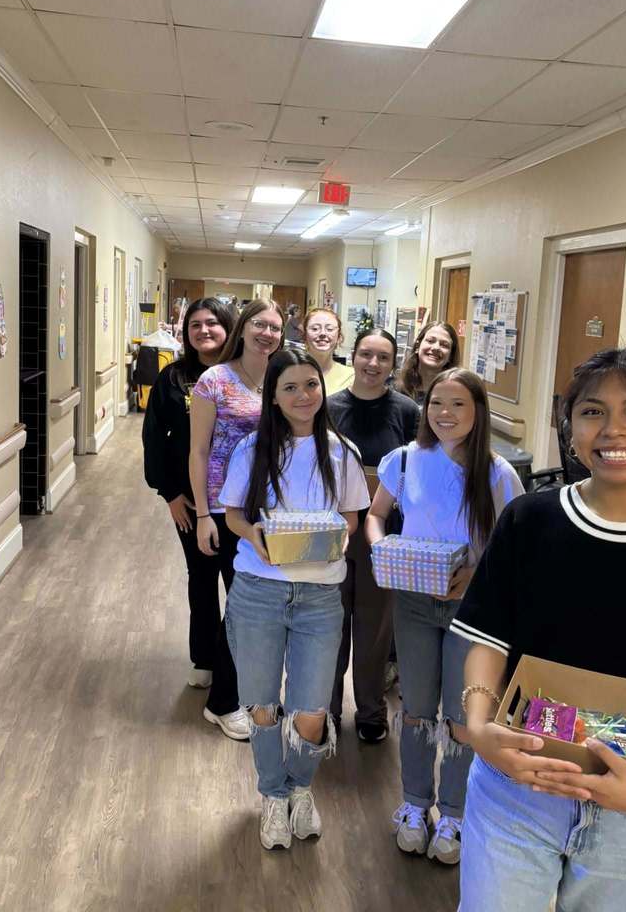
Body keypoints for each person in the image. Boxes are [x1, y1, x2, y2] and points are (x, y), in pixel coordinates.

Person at [453, 347, 626, 911]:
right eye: (591, 412)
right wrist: (481, 726)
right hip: (518, 783)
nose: (614, 430)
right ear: (570, 426)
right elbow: (489, 640)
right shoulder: (529, 519)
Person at [366, 368, 524, 863]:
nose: (445, 414)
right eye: (437, 403)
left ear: (478, 412)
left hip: (471, 611)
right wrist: (381, 551)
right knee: (415, 709)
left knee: (461, 717)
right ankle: (415, 805)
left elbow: (514, 546)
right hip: (412, 600)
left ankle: (453, 814)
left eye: (458, 405)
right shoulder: (405, 461)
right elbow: (375, 516)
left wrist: (475, 573)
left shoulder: (498, 472)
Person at [220, 350, 369, 851]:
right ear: (274, 395)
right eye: (290, 387)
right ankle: (272, 796)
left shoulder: (341, 452)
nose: (303, 395)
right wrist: (256, 534)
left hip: (320, 594)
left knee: (310, 709)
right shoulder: (251, 449)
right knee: (261, 704)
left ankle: (301, 788)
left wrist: (330, 540)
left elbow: (350, 518)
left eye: (311, 384)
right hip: (259, 588)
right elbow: (234, 515)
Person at [189, 298, 284, 739]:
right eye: (260, 325)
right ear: (243, 328)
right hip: (226, 510)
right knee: (242, 608)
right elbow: (199, 451)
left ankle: (247, 691)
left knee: (259, 606)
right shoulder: (214, 381)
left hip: (268, 508)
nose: (267, 333)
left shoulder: (282, 377)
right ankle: (222, 702)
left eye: (276, 328)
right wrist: (204, 513)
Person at [327, 328, 420, 742]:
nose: (373, 364)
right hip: (334, 530)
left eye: (384, 357)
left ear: (393, 363)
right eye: (366, 354)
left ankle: (370, 713)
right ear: (354, 356)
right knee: (331, 624)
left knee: (375, 628)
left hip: (384, 534)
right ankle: (324, 711)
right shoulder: (329, 408)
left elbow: (419, 470)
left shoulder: (406, 411)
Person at [142, 298, 236, 704]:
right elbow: (153, 438)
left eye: (212, 323)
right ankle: (205, 658)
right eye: (195, 325)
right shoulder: (174, 377)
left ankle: (235, 661)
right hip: (190, 499)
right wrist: (170, 495)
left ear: (228, 327)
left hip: (238, 501)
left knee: (241, 584)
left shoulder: (243, 373)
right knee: (201, 578)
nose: (203, 331)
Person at [397, 320, 460, 405]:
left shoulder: (458, 396)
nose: (436, 347)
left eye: (444, 345)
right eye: (430, 341)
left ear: (451, 356)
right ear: (417, 346)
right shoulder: (395, 389)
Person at [303, 307, 354, 395]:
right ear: (304, 335)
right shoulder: (291, 372)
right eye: (315, 329)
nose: (323, 333)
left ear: (339, 337)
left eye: (329, 329)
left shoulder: (351, 377)